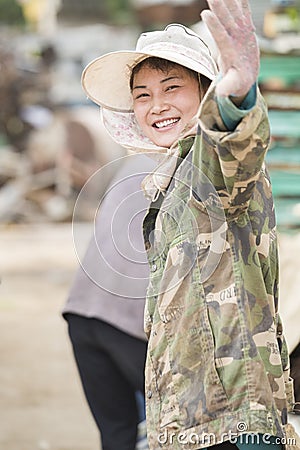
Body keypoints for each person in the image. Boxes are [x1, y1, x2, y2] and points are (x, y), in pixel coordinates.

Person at [81, 0, 299, 449]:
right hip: (191, 421)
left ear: (203, 91)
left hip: (235, 422)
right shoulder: (169, 180)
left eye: (171, 87)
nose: (155, 105)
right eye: (142, 94)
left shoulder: (208, 164)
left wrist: (235, 96)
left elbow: (235, 146)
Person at [63, 154, 155, 450]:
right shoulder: (186, 168)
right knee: (186, 431)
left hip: (81, 310)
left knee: (117, 433)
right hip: (130, 320)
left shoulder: (134, 162)